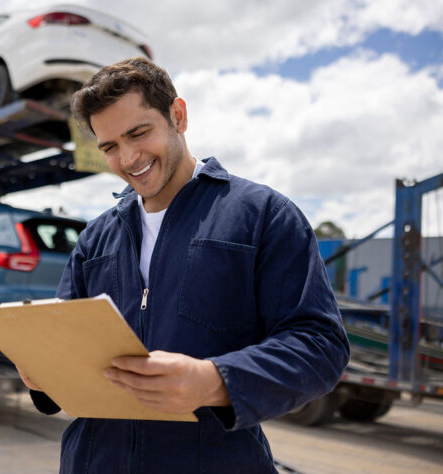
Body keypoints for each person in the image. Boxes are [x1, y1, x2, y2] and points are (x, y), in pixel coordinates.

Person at [17, 57, 350, 473]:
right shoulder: (95, 238)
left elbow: (320, 345)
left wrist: (215, 380)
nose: (128, 158)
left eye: (138, 133)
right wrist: (45, 373)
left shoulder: (263, 216)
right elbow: (67, 349)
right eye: (110, 147)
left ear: (178, 115)